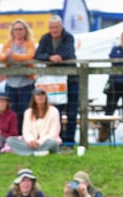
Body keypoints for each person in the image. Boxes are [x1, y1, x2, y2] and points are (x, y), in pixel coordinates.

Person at [34, 15, 78, 144]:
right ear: (49, 28)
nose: (54, 30)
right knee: (54, 111)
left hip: (70, 79)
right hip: (53, 81)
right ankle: (56, 140)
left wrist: (57, 57)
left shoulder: (69, 37)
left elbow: (68, 52)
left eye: (56, 27)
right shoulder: (45, 38)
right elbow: (37, 55)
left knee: (72, 111)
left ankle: (69, 141)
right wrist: (50, 57)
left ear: (61, 27)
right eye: (52, 27)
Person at [0, 19, 36, 134]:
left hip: (26, 83)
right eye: (16, 29)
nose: (18, 32)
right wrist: (6, 56)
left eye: (20, 29)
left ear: (25, 31)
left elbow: (29, 56)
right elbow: (0, 57)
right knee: (11, 112)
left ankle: (26, 135)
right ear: (12, 31)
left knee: (26, 111)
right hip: (11, 83)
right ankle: (13, 135)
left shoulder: (29, 43)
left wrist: (12, 55)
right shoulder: (8, 43)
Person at [5, 87, 61, 156]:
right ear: (34, 98)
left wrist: (39, 142)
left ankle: (28, 152)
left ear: (46, 97)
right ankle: (37, 153)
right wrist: (31, 141)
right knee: (10, 140)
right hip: (30, 143)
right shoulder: (28, 112)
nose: (41, 97)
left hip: (47, 142)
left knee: (53, 143)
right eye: (38, 95)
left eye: (42, 95)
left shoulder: (54, 111)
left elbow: (54, 132)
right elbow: (26, 131)